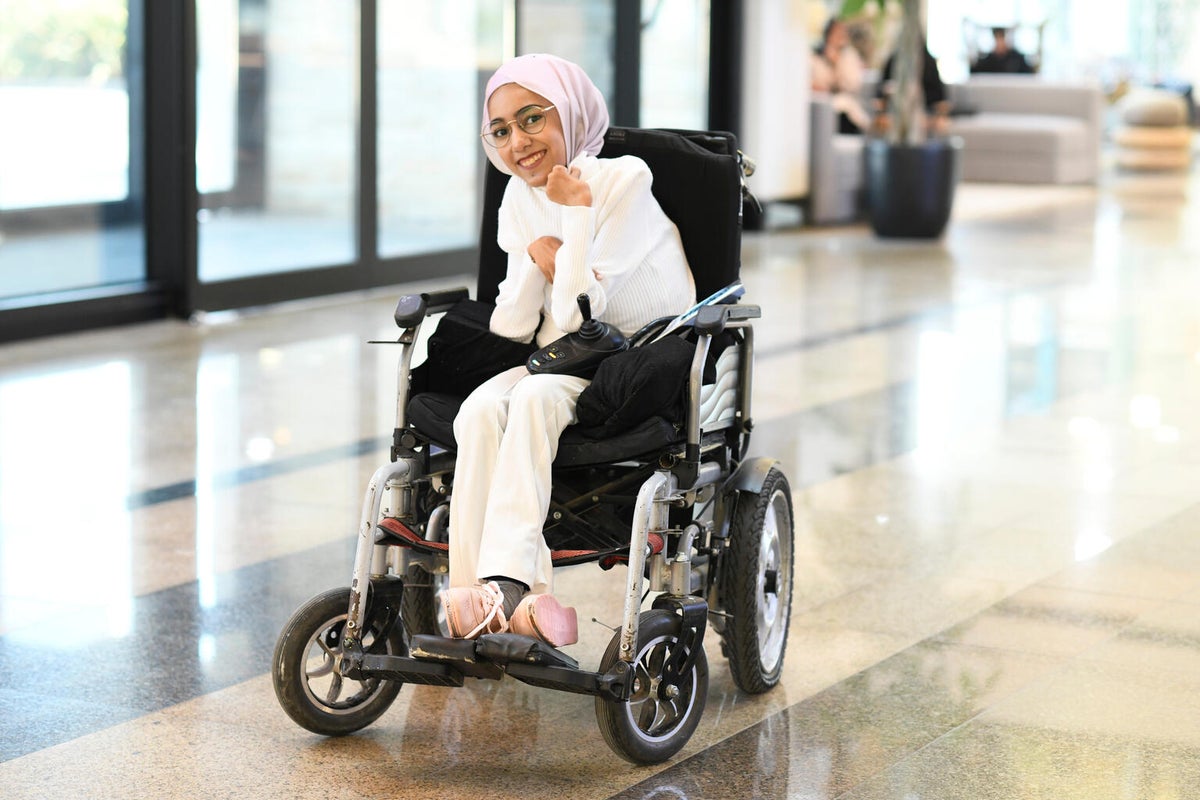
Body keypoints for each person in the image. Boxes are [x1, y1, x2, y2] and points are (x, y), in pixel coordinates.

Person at [438, 54, 697, 647]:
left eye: (532, 119)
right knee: (477, 408)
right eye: (501, 130)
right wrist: (535, 257)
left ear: (570, 115)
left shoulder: (622, 179)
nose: (518, 143)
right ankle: (478, 598)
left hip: (632, 356)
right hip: (559, 354)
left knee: (530, 398)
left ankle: (506, 584)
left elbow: (582, 311)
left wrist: (575, 222)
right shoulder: (515, 199)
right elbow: (513, 323)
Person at [874, 42, 951, 137]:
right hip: (896, 111)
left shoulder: (928, 62)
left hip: (924, 112)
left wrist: (938, 116)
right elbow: (881, 92)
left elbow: (940, 98)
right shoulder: (894, 60)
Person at [810, 17, 870, 133]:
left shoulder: (849, 56)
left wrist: (837, 64)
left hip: (845, 111)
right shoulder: (816, 56)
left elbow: (852, 85)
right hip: (819, 105)